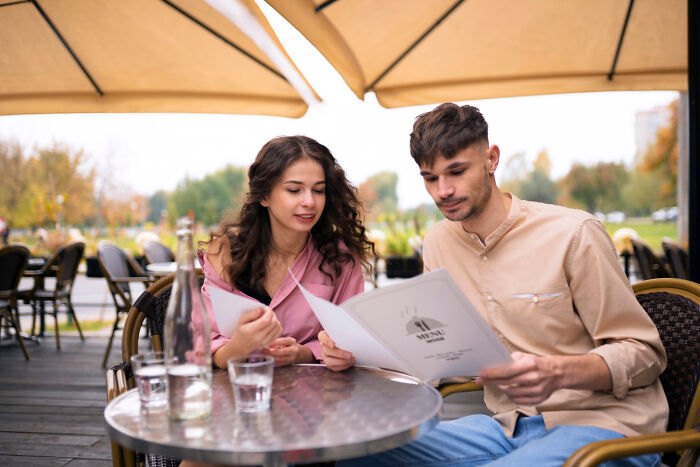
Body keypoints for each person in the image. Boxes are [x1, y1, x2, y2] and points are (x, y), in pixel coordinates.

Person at [323, 103, 668, 466]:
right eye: (430, 178)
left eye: (456, 171)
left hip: (602, 427)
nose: (443, 191)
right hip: (506, 429)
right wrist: (358, 353)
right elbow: (443, 355)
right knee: (357, 449)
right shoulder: (439, 242)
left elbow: (645, 352)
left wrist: (559, 372)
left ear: (491, 159)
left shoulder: (574, 233)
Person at [198, 135, 374, 370]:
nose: (310, 201)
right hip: (240, 394)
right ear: (264, 196)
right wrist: (240, 346)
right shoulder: (226, 253)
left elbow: (352, 342)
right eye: (294, 190)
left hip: (318, 397)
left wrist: (305, 353)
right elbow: (204, 348)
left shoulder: (340, 259)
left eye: (319, 190)